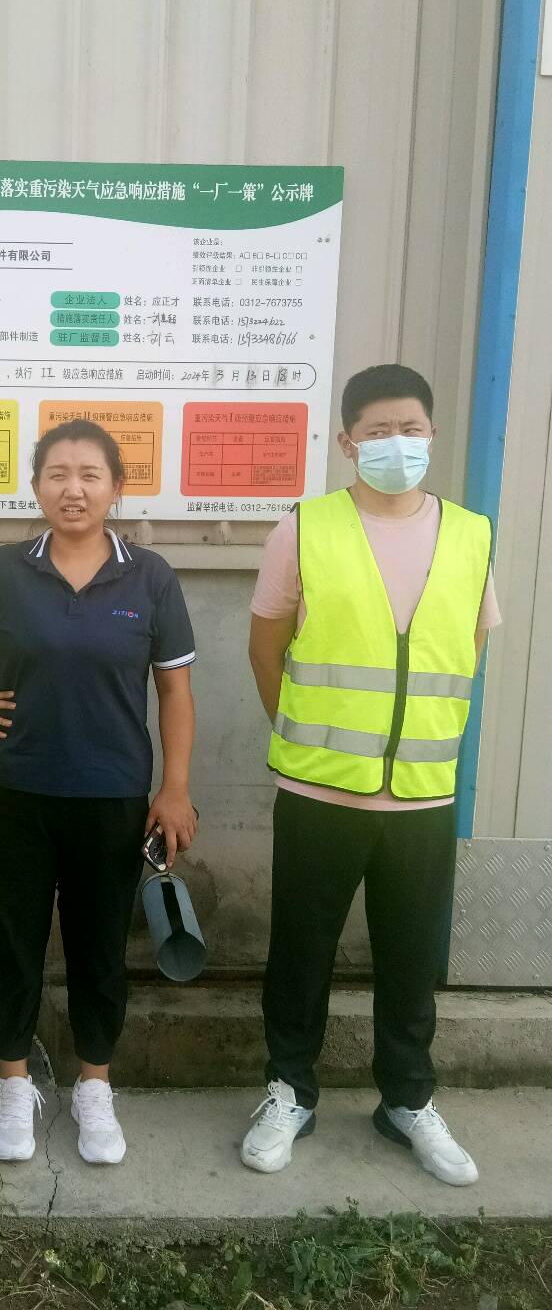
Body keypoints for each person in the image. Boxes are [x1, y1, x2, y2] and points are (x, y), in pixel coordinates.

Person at [243, 363, 501, 1186]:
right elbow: (265, 646)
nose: (397, 443)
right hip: (319, 789)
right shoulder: (305, 527)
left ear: (433, 435)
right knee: (300, 953)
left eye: (411, 429)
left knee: (411, 959)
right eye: (379, 430)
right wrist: (305, 737)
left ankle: (408, 1101)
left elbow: (469, 647)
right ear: (348, 442)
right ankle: (289, 1091)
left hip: (423, 794)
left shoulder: (471, 534)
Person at [0, 419, 198, 1166]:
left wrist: (174, 788)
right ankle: (15, 1083)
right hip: (13, 790)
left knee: (99, 948)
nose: (73, 489)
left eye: (89, 475)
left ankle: (94, 1087)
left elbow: (174, 691)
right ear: (36, 485)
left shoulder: (150, 577)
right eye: (57, 474)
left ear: (117, 487)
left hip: (112, 797)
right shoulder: (1, 571)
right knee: (11, 941)